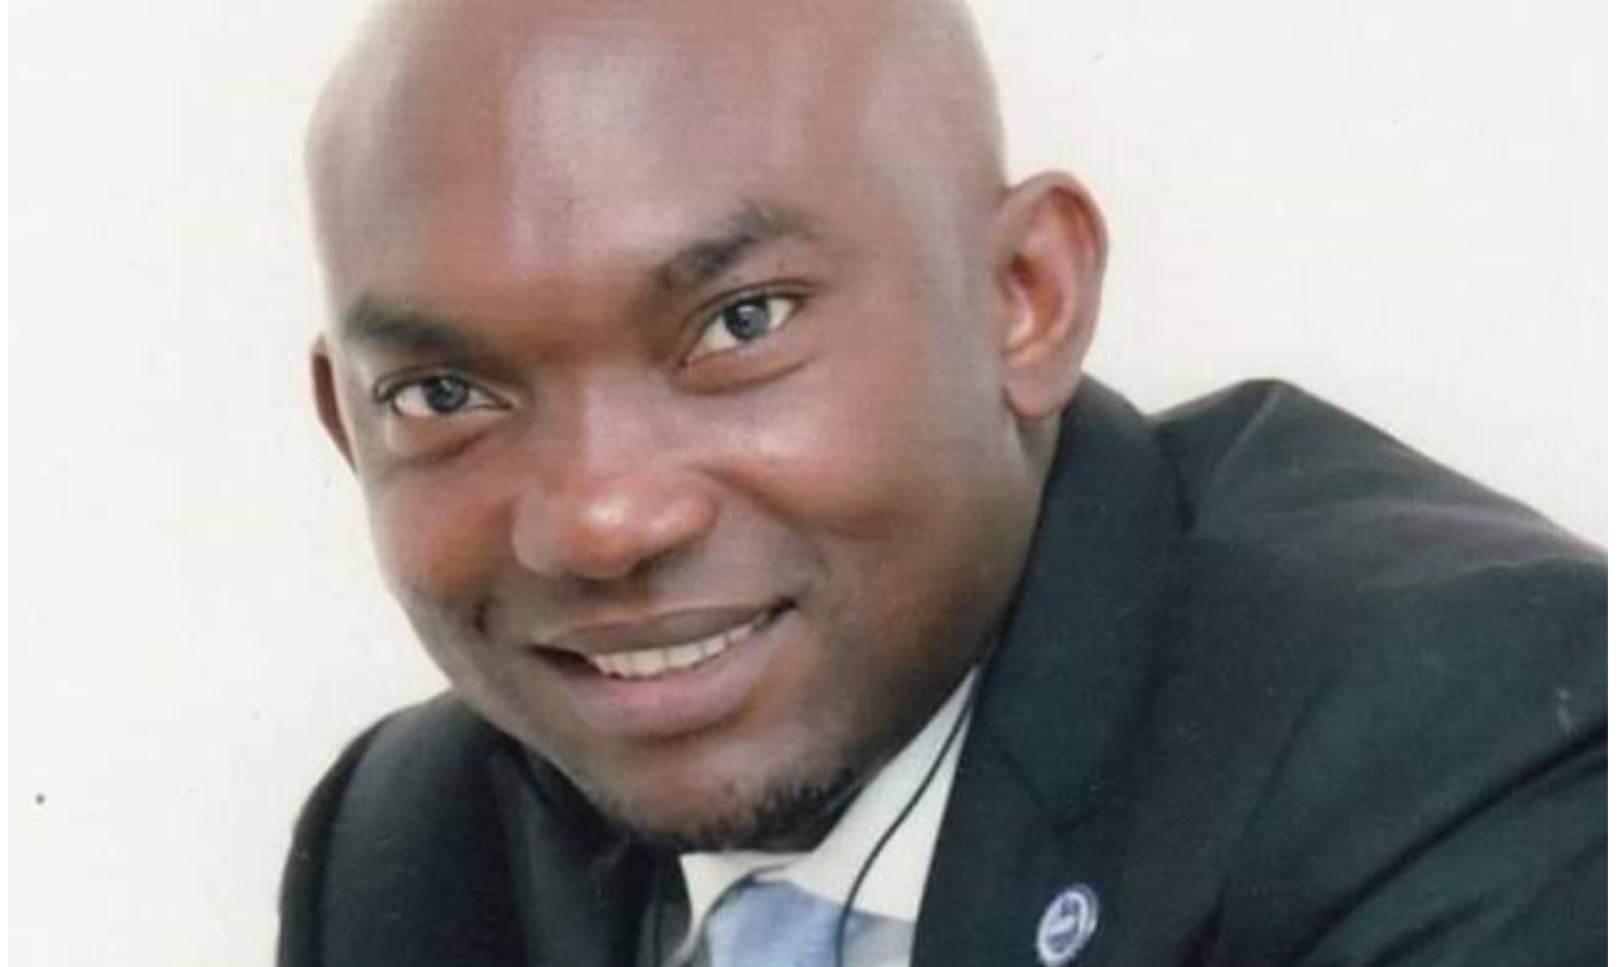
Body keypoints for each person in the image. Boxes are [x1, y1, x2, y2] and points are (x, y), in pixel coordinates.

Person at [279, 0, 1605, 964]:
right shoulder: (409, 847)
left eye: (742, 323)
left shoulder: (1457, 735)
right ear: (347, 430)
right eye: (442, 396)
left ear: (1024, 298)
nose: (601, 520)